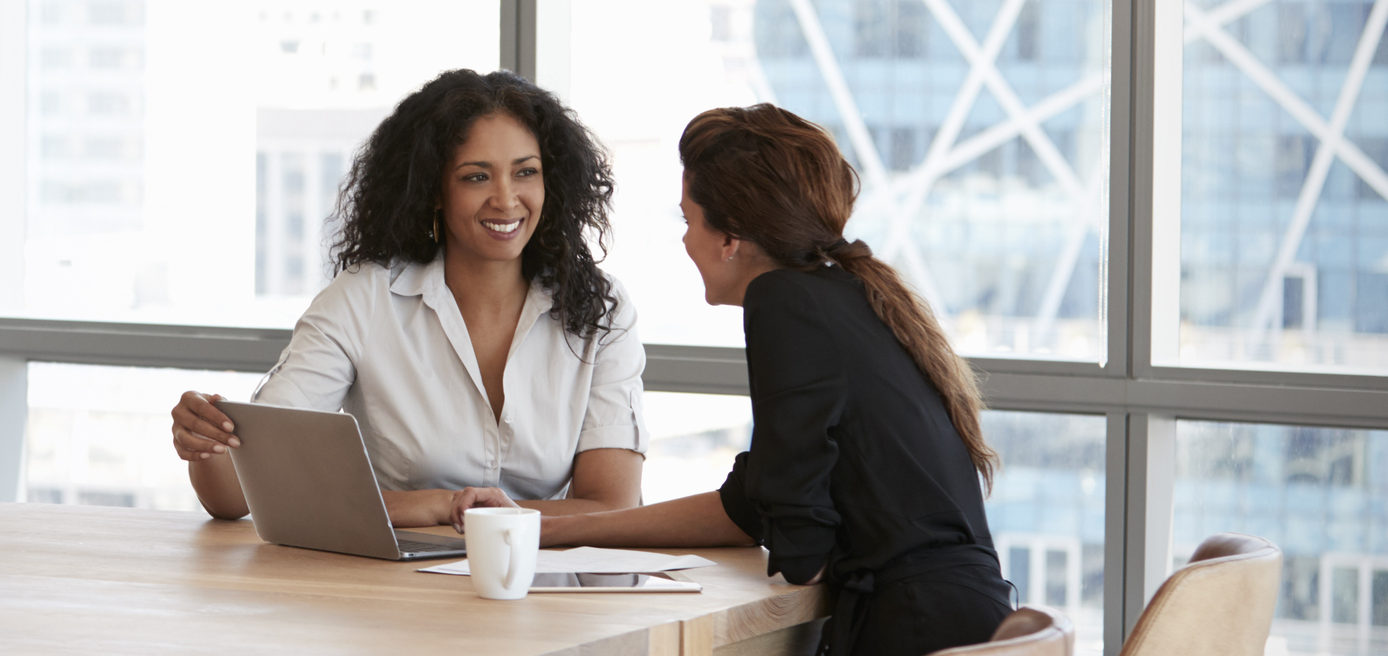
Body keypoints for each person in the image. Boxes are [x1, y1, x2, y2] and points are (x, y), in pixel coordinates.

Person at [535, 104, 1011, 656]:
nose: (686, 241)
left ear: (730, 236)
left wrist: (799, 533)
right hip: (962, 617)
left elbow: (800, 546)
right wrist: (552, 529)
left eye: (688, 220)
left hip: (915, 629)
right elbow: (748, 506)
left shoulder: (783, 300)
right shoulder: (848, 296)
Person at [166, 69, 647, 529]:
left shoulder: (600, 311)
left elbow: (611, 505)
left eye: (525, 172)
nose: (505, 198)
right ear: (434, 190)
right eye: (476, 177)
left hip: (541, 588)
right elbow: (236, 494)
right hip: (389, 592)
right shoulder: (364, 300)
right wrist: (205, 439)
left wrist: (484, 517)